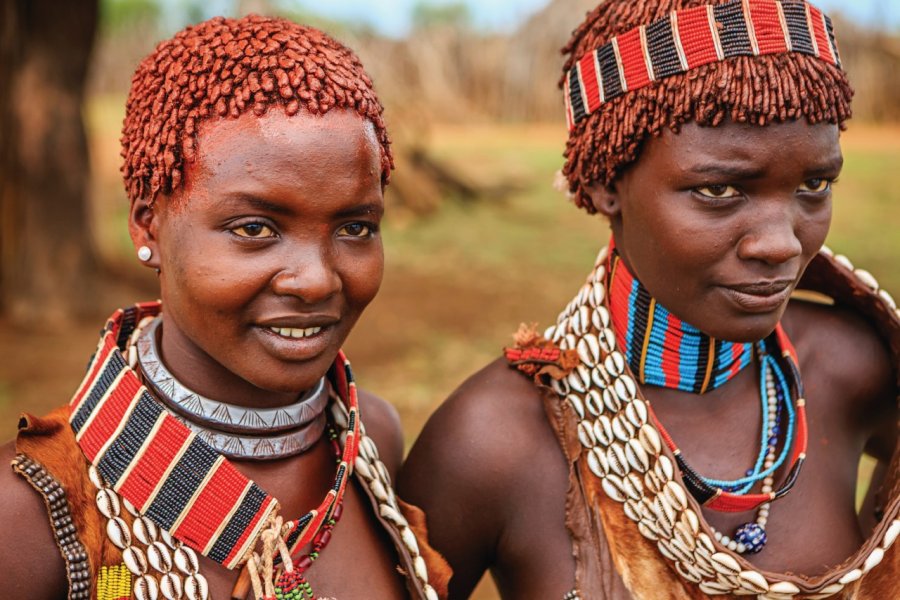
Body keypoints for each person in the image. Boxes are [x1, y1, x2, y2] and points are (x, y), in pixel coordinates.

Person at [399, 1, 899, 598]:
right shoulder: (493, 442)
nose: (781, 242)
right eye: (718, 189)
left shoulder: (856, 366)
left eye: (814, 185)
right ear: (605, 183)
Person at [0, 15, 448, 600]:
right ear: (148, 223)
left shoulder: (369, 441)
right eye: (255, 227)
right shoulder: (33, 513)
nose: (315, 280)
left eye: (356, 226)